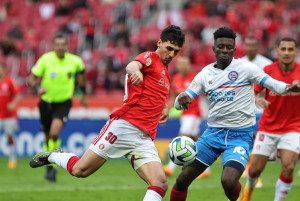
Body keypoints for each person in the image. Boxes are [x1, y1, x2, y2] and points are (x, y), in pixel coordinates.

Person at [29, 25, 185, 201]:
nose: (171, 54)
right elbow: (132, 65)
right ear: (159, 43)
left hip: (144, 137)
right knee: (80, 170)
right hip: (124, 126)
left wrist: (163, 107)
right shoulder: (150, 57)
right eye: (169, 48)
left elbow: (155, 95)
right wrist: (136, 73)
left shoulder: (165, 74)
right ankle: (54, 155)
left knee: (160, 183)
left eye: (176, 51)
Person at [169, 27, 300, 201]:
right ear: (214, 48)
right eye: (221, 46)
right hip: (212, 135)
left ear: (234, 49)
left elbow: (273, 84)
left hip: (239, 136)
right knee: (182, 179)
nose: (225, 50)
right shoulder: (205, 74)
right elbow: (181, 100)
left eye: (229, 47)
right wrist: (181, 99)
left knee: (228, 181)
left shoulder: (246, 68)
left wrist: (287, 88)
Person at [239, 37, 300, 201]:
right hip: (268, 127)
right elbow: (251, 91)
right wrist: (257, 99)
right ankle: (248, 192)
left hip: (293, 128)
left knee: (288, 167)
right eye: (283, 49)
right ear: (277, 51)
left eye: (290, 49)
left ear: (296, 52)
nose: (286, 52)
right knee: (256, 169)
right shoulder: (268, 70)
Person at [27, 34, 88, 182]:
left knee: (54, 133)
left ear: (67, 46)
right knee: (47, 136)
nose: (60, 47)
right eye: (57, 44)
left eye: (63, 44)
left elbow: (82, 74)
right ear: (54, 46)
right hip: (46, 103)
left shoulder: (75, 61)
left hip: (63, 102)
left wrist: (82, 93)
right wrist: (37, 88)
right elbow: (31, 79)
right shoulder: (45, 60)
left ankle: (53, 164)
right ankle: (49, 163)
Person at [163, 56, 210, 178]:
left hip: (194, 113)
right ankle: (206, 169)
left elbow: (206, 94)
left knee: (182, 136)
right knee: (195, 140)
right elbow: (174, 97)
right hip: (184, 114)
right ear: (177, 66)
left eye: (185, 64)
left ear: (189, 65)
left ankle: (170, 166)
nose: (183, 66)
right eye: (180, 64)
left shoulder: (196, 78)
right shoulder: (175, 78)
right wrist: (166, 109)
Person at [240, 36, 273, 187]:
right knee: (246, 141)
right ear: (245, 46)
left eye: (254, 45)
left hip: (261, 110)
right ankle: (249, 170)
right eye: (248, 45)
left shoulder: (267, 64)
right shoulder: (239, 63)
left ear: (258, 47)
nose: (251, 48)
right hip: (244, 110)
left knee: (258, 143)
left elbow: (273, 86)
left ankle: (254, 173)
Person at [0, 62, 22, 169]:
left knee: (9, 136)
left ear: (4, 70)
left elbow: (18, 95)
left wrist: (13, 104)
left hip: (8, 116)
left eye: (1, 69)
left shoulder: (9, 81)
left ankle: (12, 158)